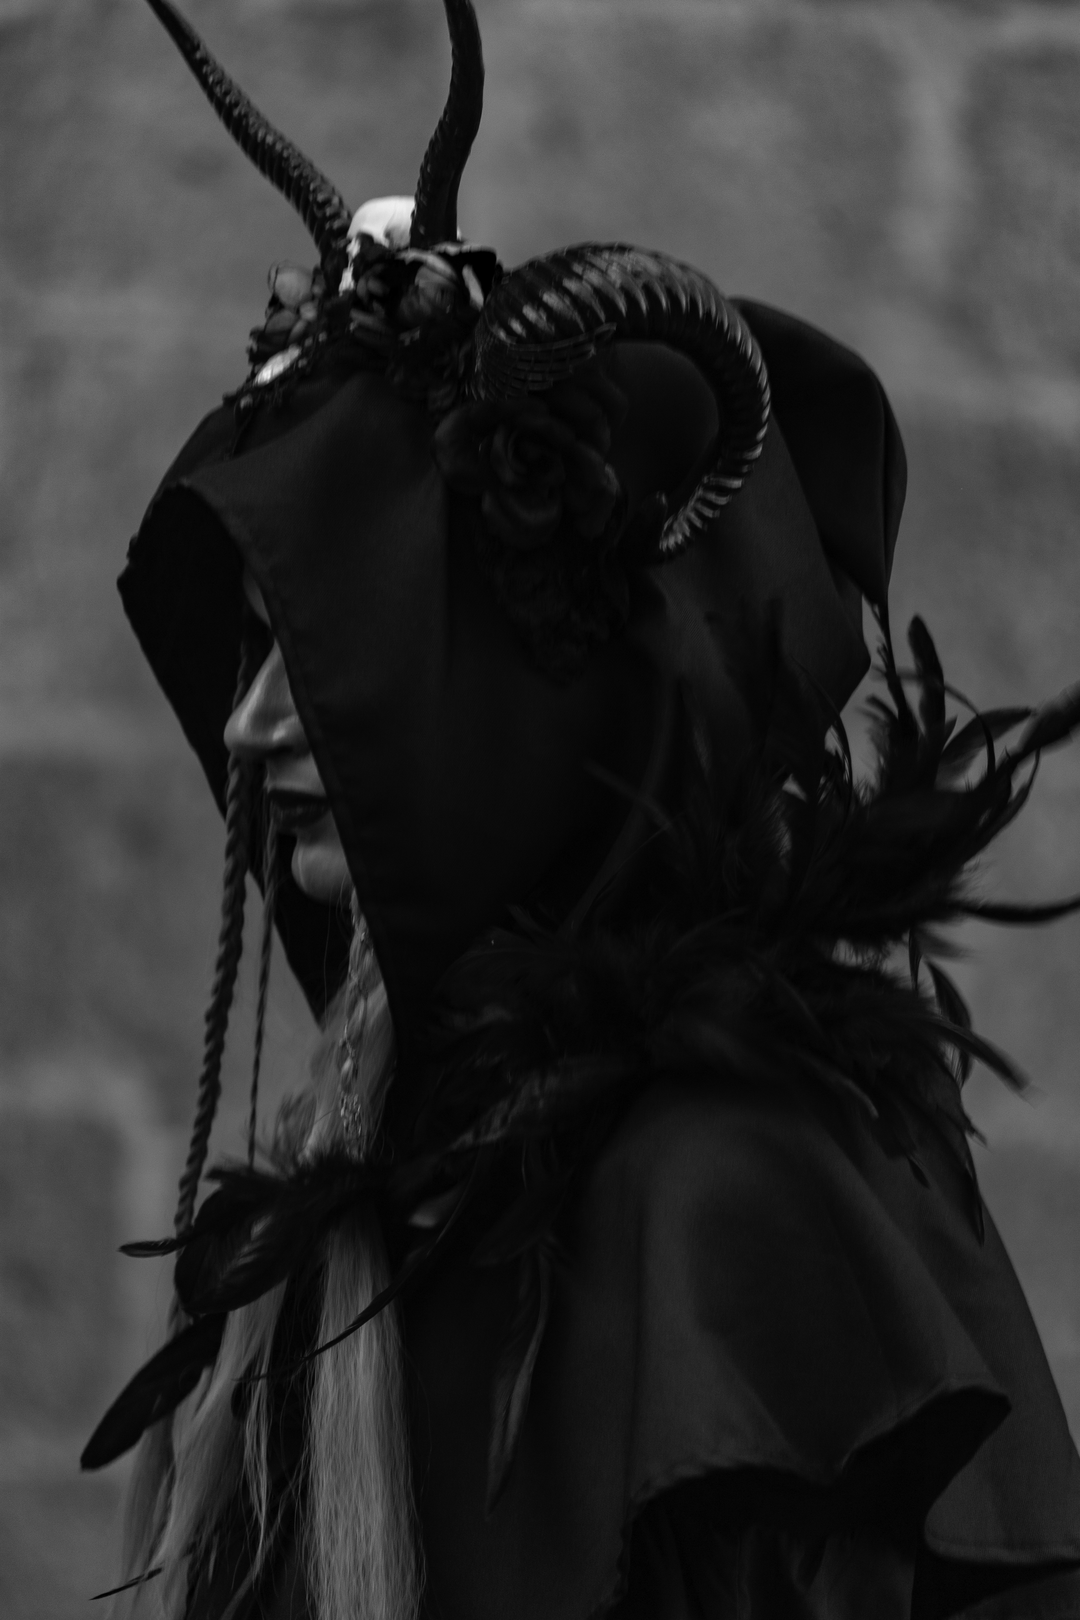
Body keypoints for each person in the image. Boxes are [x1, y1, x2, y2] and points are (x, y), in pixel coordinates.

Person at [83, 1, 1080, 1616]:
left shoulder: (738, 1208)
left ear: (522, 708)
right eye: (253, 659)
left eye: (331, 666)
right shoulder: (371, 1204)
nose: (254, 729)